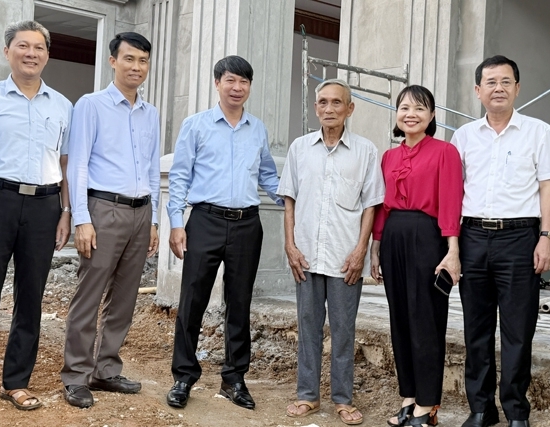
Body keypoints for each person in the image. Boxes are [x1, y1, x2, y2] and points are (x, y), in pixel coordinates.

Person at [0, 21, 72, 412]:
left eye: (39, 47)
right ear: (7, 52)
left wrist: (66, 212)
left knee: (31, 295)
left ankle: (17, 381)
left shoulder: (62, 106)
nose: (31, 53)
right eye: (23, 46)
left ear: (47, 55)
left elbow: (66, 164)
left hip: (44, 205)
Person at [451, 56, 550, 427]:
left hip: (520, 237)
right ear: (478, 90)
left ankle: (517, 411)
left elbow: (547, 187)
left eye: (506, 81)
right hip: (472, 236)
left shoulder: (539, 132)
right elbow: (454, 193)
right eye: (491, 82)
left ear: (517, 88)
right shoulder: (463, 137)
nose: (498, 88)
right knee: (477, 328)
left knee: (518, 329)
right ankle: (481, 409)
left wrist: (545, 237)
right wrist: (453, 246)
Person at [165, 55, 283, 410]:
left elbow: (268, 176)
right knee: (192, 300)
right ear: (217, 83)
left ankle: (234, 378)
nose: (237, 87)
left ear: (249, 87)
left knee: (240, 302)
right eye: (230, 80)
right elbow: (180, 176)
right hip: (205, 220)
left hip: (247, 224)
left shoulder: (257, 129)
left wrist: (293, 200)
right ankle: (184, 376)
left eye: (243, 82)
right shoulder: (196, 125)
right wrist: (176, 223)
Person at [61, 32, 160, 409]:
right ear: (113, 61)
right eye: (129, 59)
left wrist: (154, 220)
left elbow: (152, 169)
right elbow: (78, 164)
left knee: (124, 298)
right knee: (89, 295)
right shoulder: (91, 105)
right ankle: (76, 375)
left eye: (143, 61)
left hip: (140, 212)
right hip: (104, 209)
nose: (137, 67)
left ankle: (105, 369)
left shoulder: (151, 113)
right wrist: (82, 219)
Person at [279, 79, 384, 425]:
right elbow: (289, 200)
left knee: (343, 330)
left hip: (344, 258)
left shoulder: (365, 151)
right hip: (306, 255)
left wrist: (361, 250)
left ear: (349, 108)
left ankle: (342, 398)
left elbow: (371, 205)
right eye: (322, 102)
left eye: (337, 102)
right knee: (308, 326)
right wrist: (290, 245)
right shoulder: (299, 148)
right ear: (315, 108)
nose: (329, 108)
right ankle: (307, 395)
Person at [370, 85, 463, 427]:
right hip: (393, 237)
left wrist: (453, 251)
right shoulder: (388, 157)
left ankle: (427, 404)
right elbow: (382, 207)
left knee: (426, 320)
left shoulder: (445, 152)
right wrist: (375, 247)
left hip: (428, 238)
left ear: (432, 115)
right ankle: (408, 397)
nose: (411, 114)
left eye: (420, 108)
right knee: (400, 320)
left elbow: (451, 202)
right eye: (405, 108)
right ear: (397, 114)